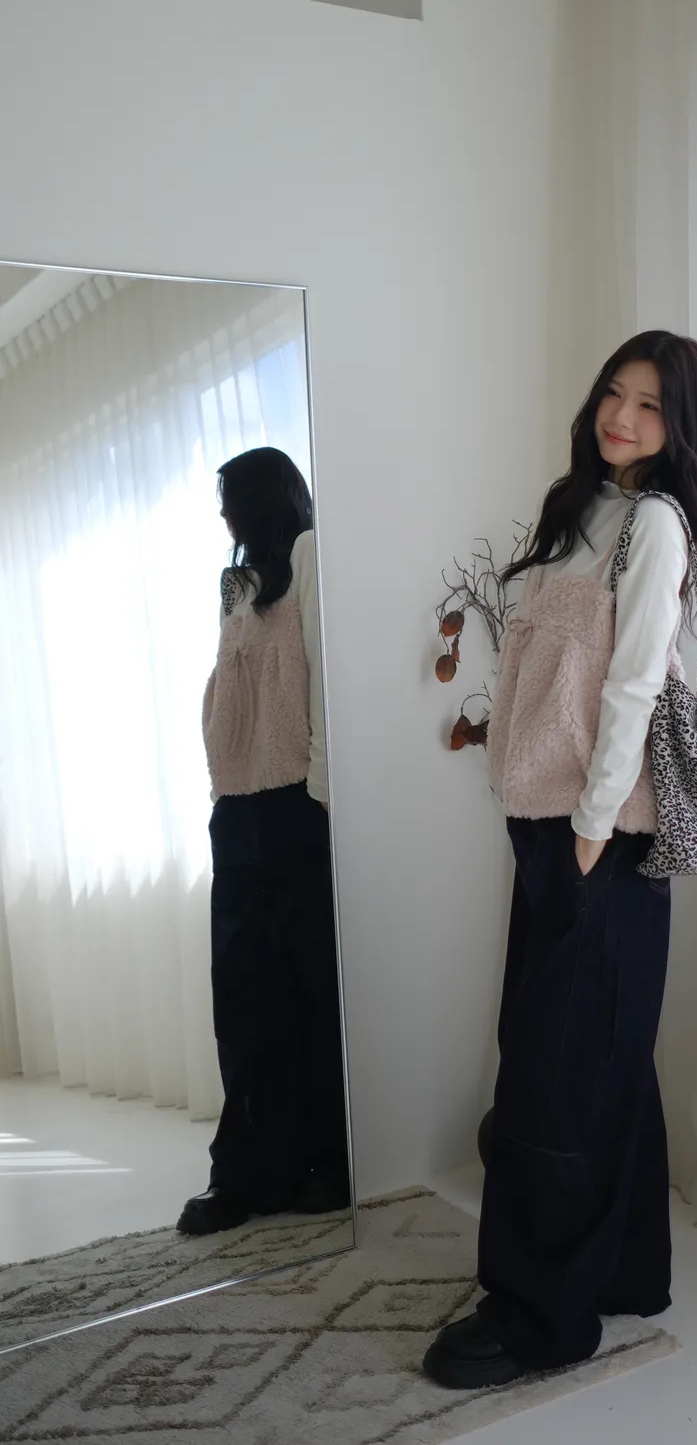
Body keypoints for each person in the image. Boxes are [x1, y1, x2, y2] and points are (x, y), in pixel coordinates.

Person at [423, 330, 697, 1388]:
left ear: (680, 427)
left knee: (556, 1078)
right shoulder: (583, 510)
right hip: (551, 824)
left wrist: (592, 824)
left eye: (650, 405)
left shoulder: (656, 525)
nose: (622, 418)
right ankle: (623, 1270)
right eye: (613, 394)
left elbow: (636, 682)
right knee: (598, 1060)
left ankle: (540, 1317)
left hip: (601, 835)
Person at [177, 446, 350, 1236]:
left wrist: (321, 794)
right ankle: (249, 1170)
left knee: (311, 991)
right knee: (245, 998)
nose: (223, 513)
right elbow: (230, 693)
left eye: (231, 497)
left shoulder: (310, 555)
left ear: (264, 498)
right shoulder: (235, 585)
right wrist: (221, 788)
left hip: (296, 802)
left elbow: (322, 675)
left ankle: (328, 1162)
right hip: (238, 808)